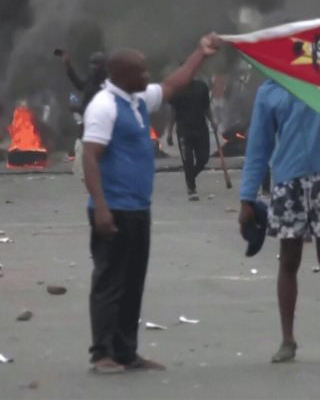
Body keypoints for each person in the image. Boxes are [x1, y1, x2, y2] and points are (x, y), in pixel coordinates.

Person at [82, 33, 221, 373]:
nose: (147, 77)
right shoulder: (104, 107)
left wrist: (200, 54)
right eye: (140, 72)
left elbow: (174, 83)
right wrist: (100, 207)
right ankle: (102, 354)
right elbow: (90, 157)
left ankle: (127, 353)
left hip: (138, 207)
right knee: (110, 282)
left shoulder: (137, 99)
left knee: (132, 282)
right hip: (113, 208)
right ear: (120, 75)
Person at [239, 72, 320, 365]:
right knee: (288, 261)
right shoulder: (269, 92)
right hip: (288, 182)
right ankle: (287, 340)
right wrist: (247, 198)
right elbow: (258, 147)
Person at [166, 76, 212, 201]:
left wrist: (212, 121)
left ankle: (190, 177)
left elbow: (206, 107)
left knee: (203, 158)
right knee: (188, 159)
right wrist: (169, 132)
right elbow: (173, 111)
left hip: (201, 128)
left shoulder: (201, 87)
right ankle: (191, 188)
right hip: (184, 130)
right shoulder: (177, 90)